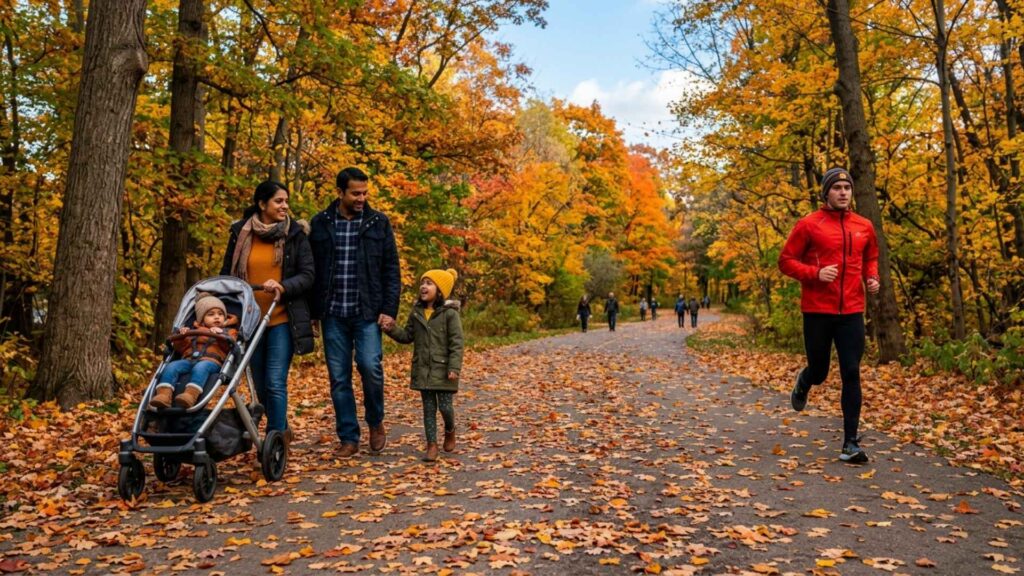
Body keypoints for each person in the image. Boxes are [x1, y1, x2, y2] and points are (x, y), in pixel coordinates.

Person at [779, 167, 879, 464]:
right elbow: (785, 262)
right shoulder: (809, 225)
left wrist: (871, 277)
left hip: (852, 311)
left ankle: (850, 443)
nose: (843, 192)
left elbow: (870, 256)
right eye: (837, 188)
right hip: (817, 311)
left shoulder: (864, 226)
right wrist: (815, 273)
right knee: (821, 371)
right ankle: (806, 379)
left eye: (847, 187)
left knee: (851, 371)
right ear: (826, 193)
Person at [309, 167, 401, 458]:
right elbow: (311, 271)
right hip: (332, 313)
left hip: (367, 312)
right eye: (355, 193)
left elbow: (391, 270)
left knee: (370, 367)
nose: (361, 198)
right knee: (339, 377)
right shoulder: (321, 224)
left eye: (365, 193)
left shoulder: (378, 223)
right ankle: (348, 436)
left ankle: (375, 421)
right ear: (340, 192)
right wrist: (311, 313)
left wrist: (389, 309)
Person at [221, 180, 315, 443]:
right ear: (262, 204)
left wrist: (283, 286)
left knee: (275, 382)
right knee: (260, 386)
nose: (285, 206)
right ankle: (281, 426)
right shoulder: (241, 233)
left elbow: (308, 275)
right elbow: (227, 274)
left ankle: (275, 440)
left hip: (281, 319)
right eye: (278, 201)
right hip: (249, 321)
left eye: (286, 201)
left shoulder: (295, 234)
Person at [385, 268, 464, 462]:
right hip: (423, 369)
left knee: (445, 407)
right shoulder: (416, 312)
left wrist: (454, 368)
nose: (423, 286)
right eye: (422, 282)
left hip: (444, 370)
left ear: (440, 290)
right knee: (428, 409)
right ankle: (432, 445)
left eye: (429, 283)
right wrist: (391, 329)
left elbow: (457, 343)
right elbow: (407, 336)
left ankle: (450, 429)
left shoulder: (450, 315)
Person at [150, 293, 239, 410]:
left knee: (201, 367)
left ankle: (190, 395)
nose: (217, 317)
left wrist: (220, 334)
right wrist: (182, 336)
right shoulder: (193, 331)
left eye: (220, 314)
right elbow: (180, 348)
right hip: (188, 360)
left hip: (211, 361)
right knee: (172, 366)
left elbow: (230, 348)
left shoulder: (229, 331)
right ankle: (163, 395)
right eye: (211, 314)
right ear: (201, 319)